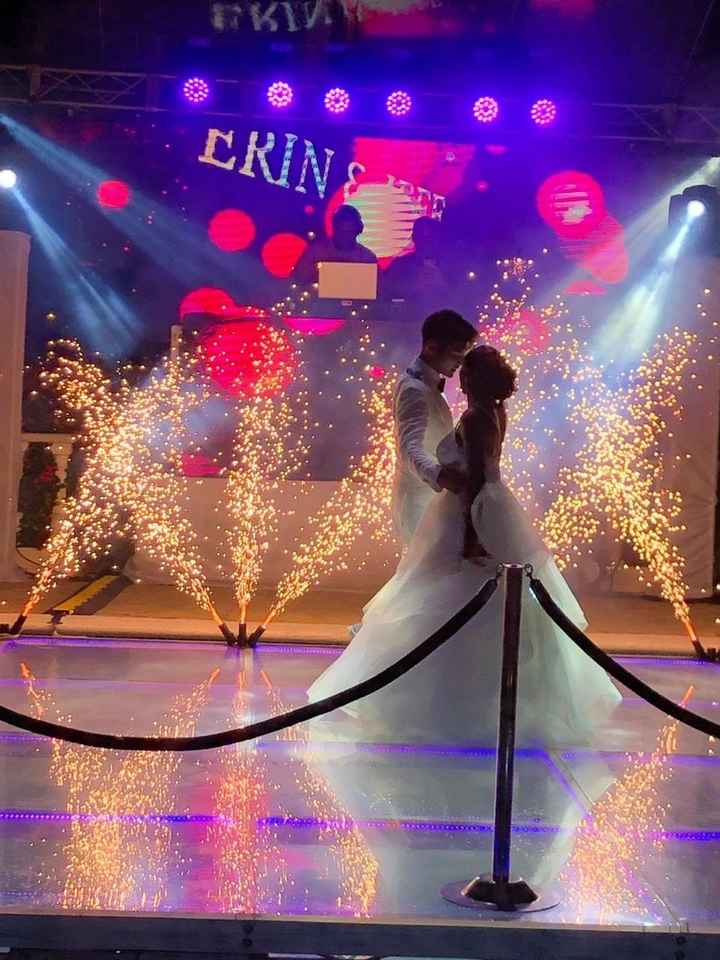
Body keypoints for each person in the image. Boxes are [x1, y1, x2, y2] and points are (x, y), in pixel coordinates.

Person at [308, 344, 621, 747]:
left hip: (468, 513)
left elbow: (474, 479)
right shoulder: (494, 413)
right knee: (473, 603)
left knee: (448, 599)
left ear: (472, 379)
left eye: (464, 371)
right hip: (484, 507)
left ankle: (448, 704)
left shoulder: (476, 418)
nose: (458, 377)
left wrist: (473, 538)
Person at [392, 309, 477, 546]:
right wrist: (442, 476)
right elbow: (409, 447)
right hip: (419, 502)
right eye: (456, 353)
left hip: (429, 498)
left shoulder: (421, 383)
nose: (460, 361)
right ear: (431, 347)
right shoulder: (413, 390)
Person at [292, 204, 377, 286]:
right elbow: (298, 280)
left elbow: (379, 290)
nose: (345, 237)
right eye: (341, 232)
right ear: (334, 228)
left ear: (357, 231)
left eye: (349, 232)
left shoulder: (367, 258)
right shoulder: (315, 253)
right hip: (320, 300)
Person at [382, 216, 450, 307]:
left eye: (430, 237)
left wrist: (442, 285)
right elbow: (384, 296)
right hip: (405, 318)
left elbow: (464, 298)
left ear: (439, 238)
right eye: (421, 236)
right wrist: (412, 288)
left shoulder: (452, 267)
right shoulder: (399, 266)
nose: (426, 242)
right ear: (414, 238)